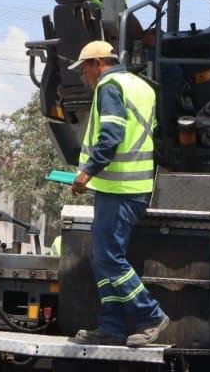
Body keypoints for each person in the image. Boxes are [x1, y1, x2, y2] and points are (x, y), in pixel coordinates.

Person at [69, 40, 170, 348]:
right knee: (103, 259)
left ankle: (151, 316)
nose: (85, 77)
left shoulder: (109, 86)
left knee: (109, 258)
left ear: (98, 63)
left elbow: (112, 135)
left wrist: (87, 172)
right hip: (132, 186)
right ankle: (111, 325)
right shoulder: (142, 87)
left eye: (86, 69)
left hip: (118, 188)